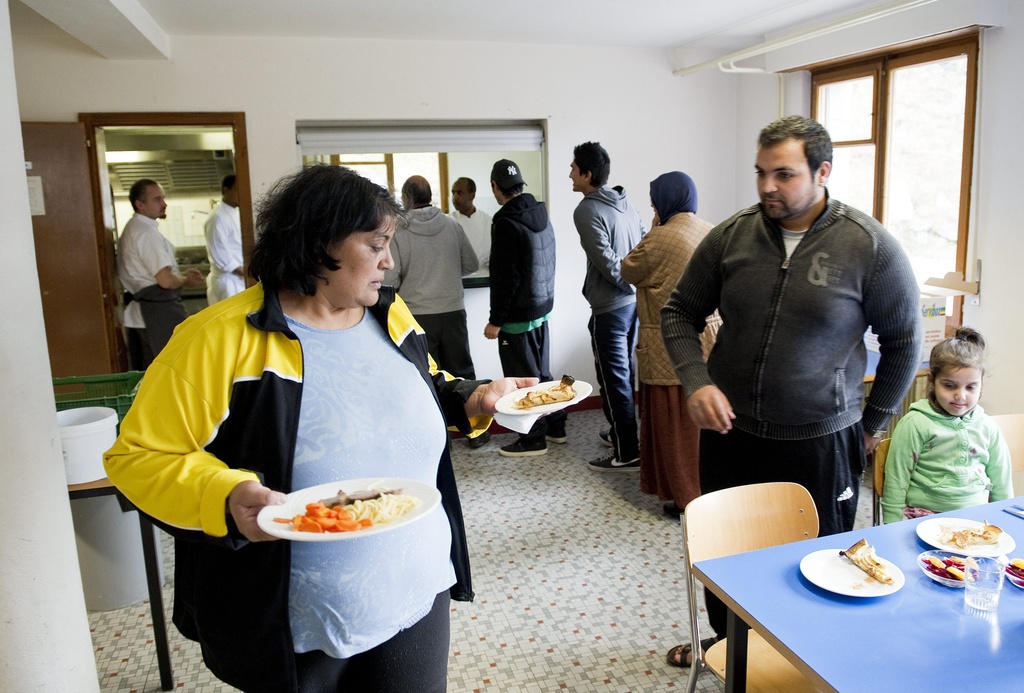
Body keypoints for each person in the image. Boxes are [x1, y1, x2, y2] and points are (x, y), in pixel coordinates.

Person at [104, 164, 531, 693]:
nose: (389, 261)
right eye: (376, 244)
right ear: (319, 243)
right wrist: (223, 495)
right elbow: (138, 458)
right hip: (298, 625)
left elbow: (431, 385)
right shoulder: (217, 340)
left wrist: (474, 396)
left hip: (419, 592)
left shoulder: (390, 314)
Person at [661, 115, 922, 667]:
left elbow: (903, 341)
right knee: (726, 556)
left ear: (822, 172)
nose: (767, 187)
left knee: (819, 564)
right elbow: (679, 311)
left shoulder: (869, 247)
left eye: (784, 174)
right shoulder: (731, 237)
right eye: (760, 172)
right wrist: (697, 380)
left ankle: (806, 660)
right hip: (732, 435)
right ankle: (731, 648)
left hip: (820, 442)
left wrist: (873, 423)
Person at [621, 171, 720, 517]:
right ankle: (709, 491)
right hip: (710, 339)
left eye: (654, 205)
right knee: (702, 427)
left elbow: (628, 269)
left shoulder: (660, 238)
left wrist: (654, 228)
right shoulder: (711, 231)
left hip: (669, 345)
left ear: (663, 203)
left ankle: (686, 499)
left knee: (674, 427)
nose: (654, 210)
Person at [880, 327, 1012, 523]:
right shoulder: (915, 423)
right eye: (950, 386)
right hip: (923, 516)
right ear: (932, 381)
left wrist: (1004, 519)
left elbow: (1001, 479)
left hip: (976, 516)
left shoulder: (988, 427)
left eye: (971, 387)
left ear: (981, 385)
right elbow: (896, 478)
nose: (960, 395)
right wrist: (891, 523)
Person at [569, 141, 646, 472]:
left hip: (611, 308)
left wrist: (630, 284)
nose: (570, 174)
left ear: (587, 175)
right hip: (632, 305)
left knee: (613, 379)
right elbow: (644, 245)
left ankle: (627, 452)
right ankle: (621, 433)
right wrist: (637, 286)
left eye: (573, 168)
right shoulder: (625, 204)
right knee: (622, 374)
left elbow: (607, 262)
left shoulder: (586, 210)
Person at [484, 159, 565, 457]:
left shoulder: (505, 222)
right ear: (520, 184)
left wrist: (495, 320)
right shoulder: (540, 212)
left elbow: (506, 278)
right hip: (542, 308)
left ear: (496, 186)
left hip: (518, 317)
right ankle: (556, 426)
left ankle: (533, 439)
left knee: (523, 379)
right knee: (542, 373)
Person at [385, 175, 480, 380]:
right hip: (453, 312)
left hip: (417, 314)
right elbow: (472, 264)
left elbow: (389, 280)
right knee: (462, 373)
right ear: (430, 196)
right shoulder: (452, 224)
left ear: (405, 198)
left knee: (428, 376)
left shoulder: (398, 230)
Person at [116, 178, 204, 369]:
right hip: (157, 310)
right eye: (157, 199)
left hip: (151, 309)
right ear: (140, 204)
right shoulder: (144, 232)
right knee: (172, 365)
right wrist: (185, 279)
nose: (164, 204)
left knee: (158, 366)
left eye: (163, 198)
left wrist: (182, 276)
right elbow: (165, 281)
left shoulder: (139, 227)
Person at [204, 173, 245, 304]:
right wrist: (246, 272)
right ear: (225, 190)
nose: (241, 193)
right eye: (237, 189)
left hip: (239, 279)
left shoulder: (236, 213)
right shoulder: (217, 217)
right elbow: (220, 252)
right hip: (228, 281)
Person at [451, 176, 492, 279]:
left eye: (459, 193)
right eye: (453, 193)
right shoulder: (448, 221)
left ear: (472, 196)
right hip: (457, 279)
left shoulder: (488, 221)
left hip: (483, 278)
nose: (455, 197)